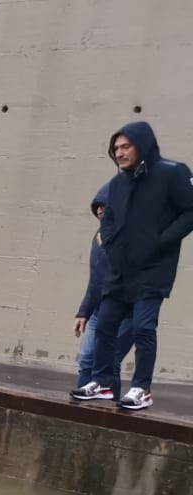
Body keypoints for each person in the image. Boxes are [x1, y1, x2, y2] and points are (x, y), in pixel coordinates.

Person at [70, 121, 193, 411]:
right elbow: (108, 219)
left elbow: (190, 211)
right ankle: (102, 383)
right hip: (120, 271)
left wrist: (160, 241)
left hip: (153, 270)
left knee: (142, 328)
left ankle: (142, 388)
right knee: (106, 327)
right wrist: (113, 246)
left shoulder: (173, 173)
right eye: (116, 148)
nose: (120, 153)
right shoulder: (117, 183)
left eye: (126, 146)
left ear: (143, 144)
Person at [71, 186, 130, 398]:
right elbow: (96, 278)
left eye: (104, 207)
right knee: (86, 360)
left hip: (125, 312)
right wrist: (83, 312)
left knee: (109, 363)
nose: (99, 211)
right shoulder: (98, 237)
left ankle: (108, 415)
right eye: (97, 207)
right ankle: (80, 411)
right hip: (99, 310)